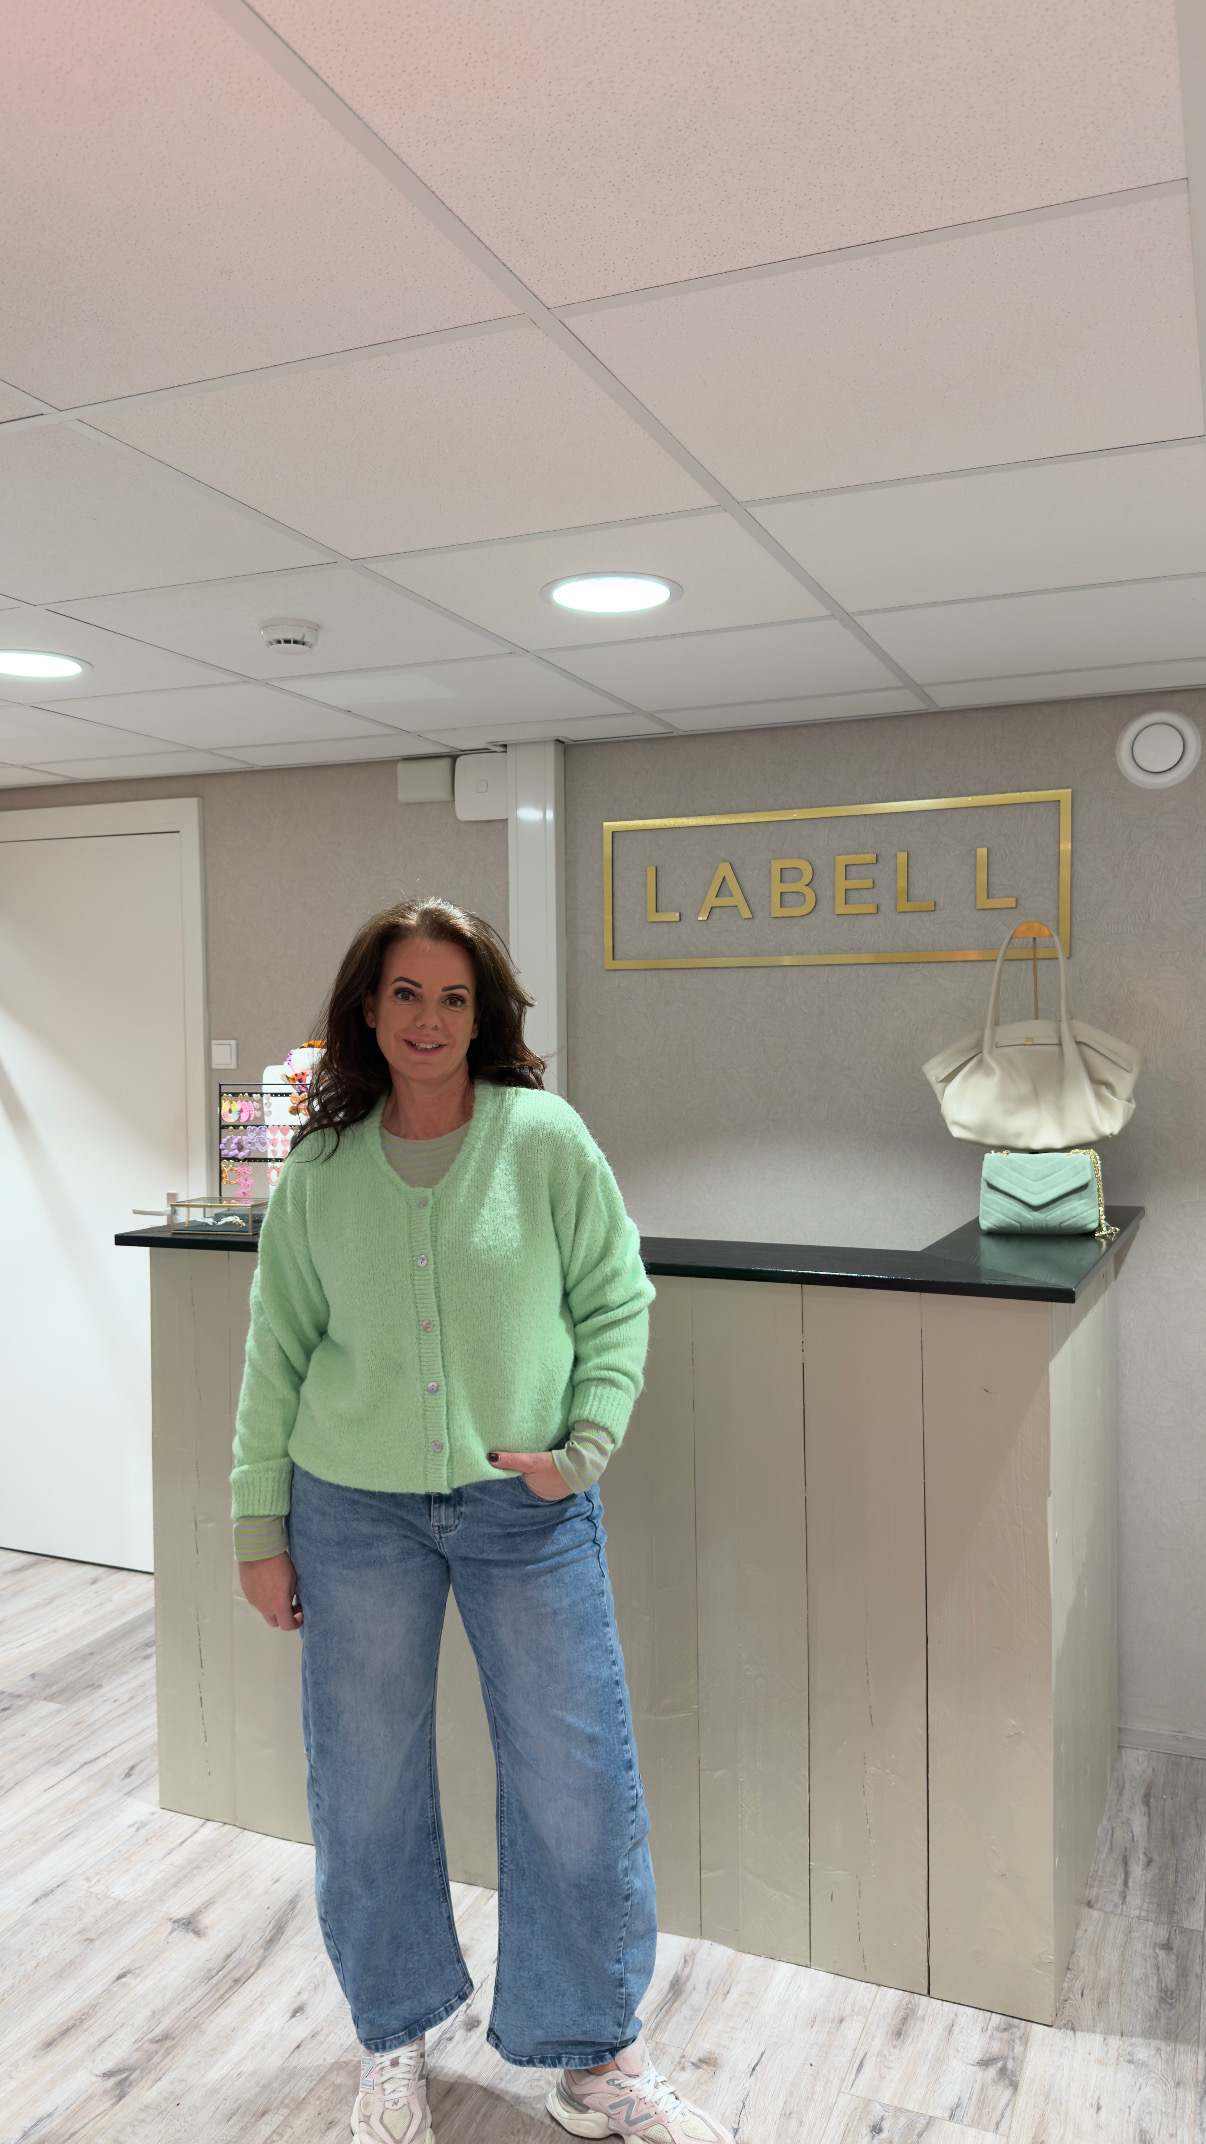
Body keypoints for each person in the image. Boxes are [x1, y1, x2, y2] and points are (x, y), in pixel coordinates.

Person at [233, 899, 736, 2144]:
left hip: (528, 1513)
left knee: (579, 1781)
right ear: (368, 1008)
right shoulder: (322, 1170)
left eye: (454, 996)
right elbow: (276, 1349)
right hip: (351, 1513)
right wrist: (258, 1523)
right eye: (406, 992)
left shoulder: (543, 1138)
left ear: (484, 1014)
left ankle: (595, 2056)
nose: (429, 1018)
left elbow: (617, 1298)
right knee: (366, 1785)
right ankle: (391, 2034)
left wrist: (586, 1445)